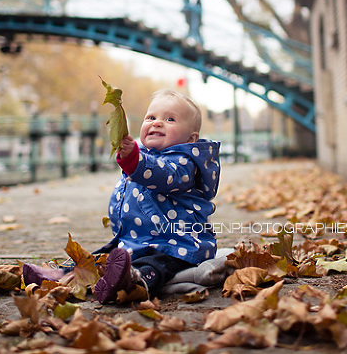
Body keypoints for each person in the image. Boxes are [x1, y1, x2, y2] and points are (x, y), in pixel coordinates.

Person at [23, 89, 221, 303]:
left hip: (178, 243)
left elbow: (163, 174)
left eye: (170, 119)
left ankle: (133, 283)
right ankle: (60, 275)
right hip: (138, 241)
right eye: (151, 117)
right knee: (100, 259)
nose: (157, 123)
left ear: (191, 138)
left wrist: (134, 161)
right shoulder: (144, 158)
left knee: (158, 266)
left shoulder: (185, 164)